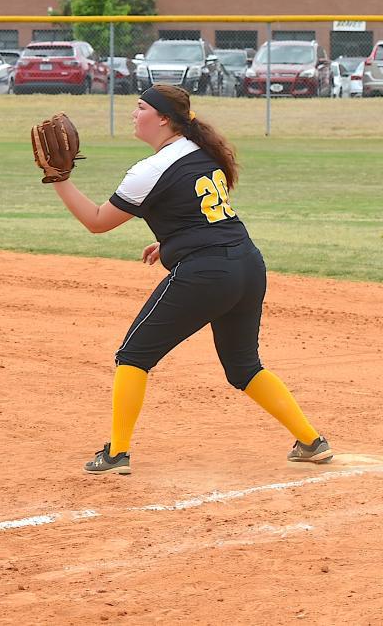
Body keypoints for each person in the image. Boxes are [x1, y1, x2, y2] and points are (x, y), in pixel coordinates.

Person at [36, 84, 332, 475]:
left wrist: (58, 178)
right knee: (243, 366)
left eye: (140, 107)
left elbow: (96, 222)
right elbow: (203, 212)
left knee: (133, 356)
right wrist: (171, 241)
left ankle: (116, 454)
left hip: (207, 272)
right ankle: (311, 442)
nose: (133, 113)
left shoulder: (149, 169)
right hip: (246, 264)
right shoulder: (202, 152)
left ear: (162, 118)